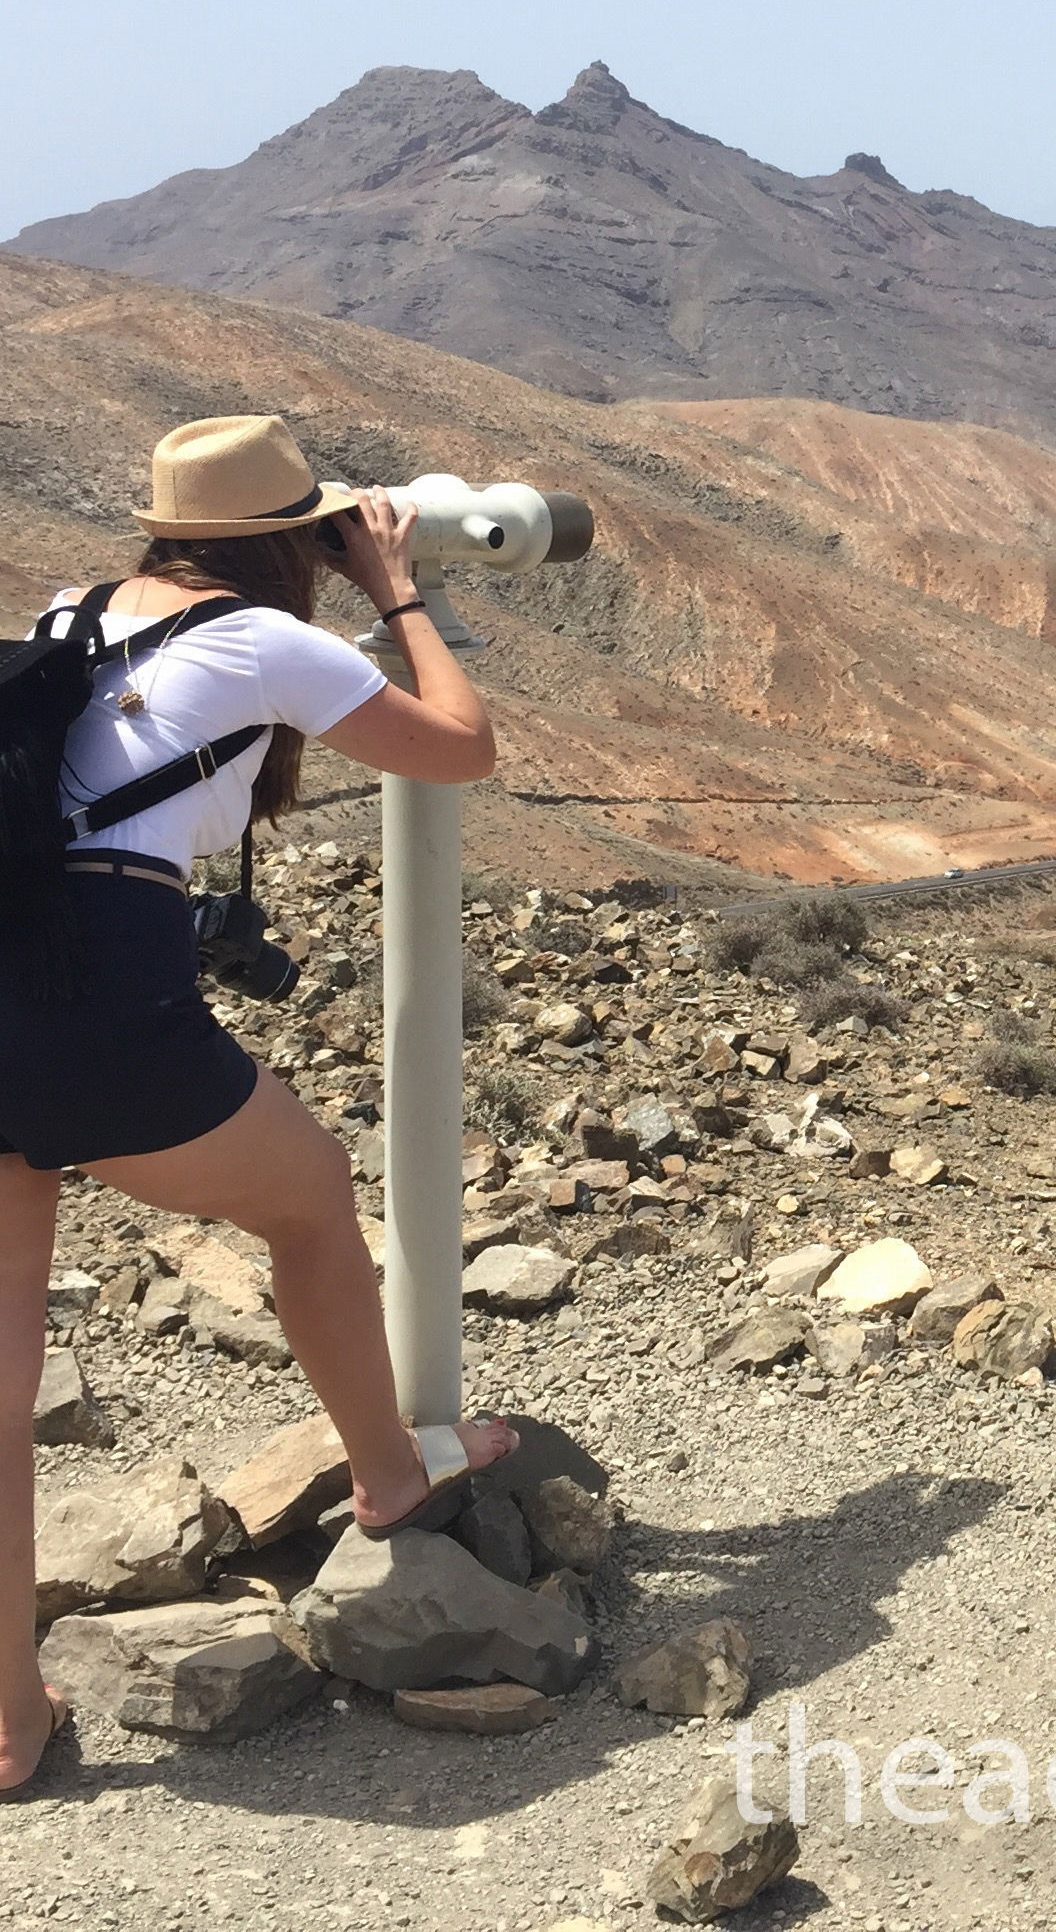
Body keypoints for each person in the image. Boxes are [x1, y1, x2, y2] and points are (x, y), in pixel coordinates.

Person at [1, 416, 520, 1795]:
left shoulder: (80, 606)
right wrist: (393, 591)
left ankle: (7, 1721)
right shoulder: (266, 641)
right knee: (311, 1201)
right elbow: (459, 750)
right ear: (301, 537)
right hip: (104, 992)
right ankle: (389, 1474)